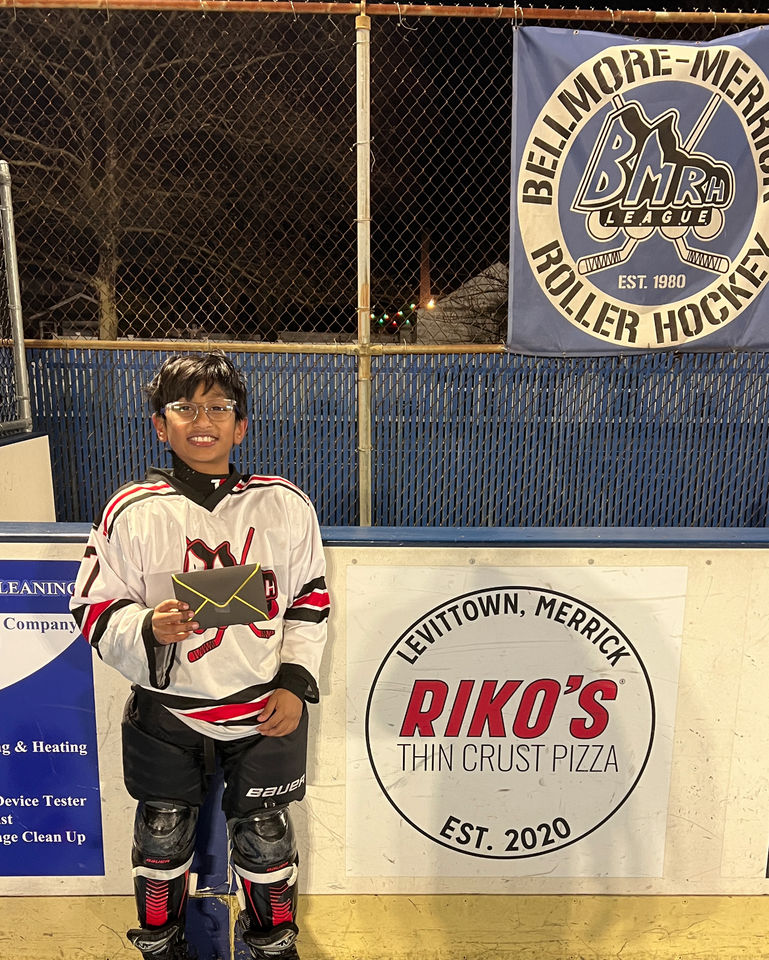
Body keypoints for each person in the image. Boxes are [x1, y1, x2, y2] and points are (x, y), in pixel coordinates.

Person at [70, 353, 329, 960]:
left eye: (218, 407)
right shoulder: (132, 509)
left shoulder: (285, 503)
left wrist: (293, 682)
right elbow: (92, 605)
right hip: (168, 711)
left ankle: (272, 945)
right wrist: (146, 626)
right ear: (161, 426)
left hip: (262, 709)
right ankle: (161, 944)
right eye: (185, 408)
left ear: (242, 426)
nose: (203, 420)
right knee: (162, 835)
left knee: (266, 837)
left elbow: (310, 597)